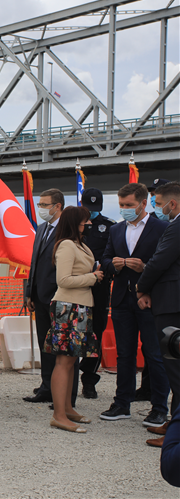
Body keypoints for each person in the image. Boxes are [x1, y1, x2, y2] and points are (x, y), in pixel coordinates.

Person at [99, 182, 169, 428]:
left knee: (154, 355)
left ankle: (160, 408)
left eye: (129, 205)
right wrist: (112, 264)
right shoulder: (116, 230)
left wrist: (145, 268)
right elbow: (105, 259)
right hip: (120, 300)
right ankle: (122, 403)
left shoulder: (162, 228)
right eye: (121, 205)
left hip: (149, 300)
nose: (125, 209)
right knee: (124, 354)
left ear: (143, 203)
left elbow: (168, 263)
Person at [44, 206, 104, 433]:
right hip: (68, 307)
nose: (88, 225)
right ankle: (59, 414)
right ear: (74, 223)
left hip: (79, 307)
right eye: (85, 222)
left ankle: (67, 408)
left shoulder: (79, 244)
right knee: (64, 361)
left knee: (72, 361)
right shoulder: (67, 245)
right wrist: (92, 277)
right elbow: (64, 279)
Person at [137, 180, 180, 448]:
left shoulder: (177, 226)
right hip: (171, 300)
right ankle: (174, 422)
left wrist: (141, 287)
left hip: (172, 303)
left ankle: (176, 433)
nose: (157, 207)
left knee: (175, 367)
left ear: (172, 203)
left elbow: (160, 260)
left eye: (159, 202)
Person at [24, 188, 65, 403]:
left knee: (59, 346)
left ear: (57, 206)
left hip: (58, 296)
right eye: (39, 205)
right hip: (39, 296)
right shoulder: (41, 229)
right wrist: (29, 292)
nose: (40, 208)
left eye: (44, 205)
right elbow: (34, 263)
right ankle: (46, 386)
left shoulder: (66, 230)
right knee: (44, 343)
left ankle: (60, 391)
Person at [78, 188, 116, 399]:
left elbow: (111, 256)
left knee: (96, 333)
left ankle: (89, 380)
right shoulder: (73, 224)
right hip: (77, 287)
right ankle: (70, 377)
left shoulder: (109, 226)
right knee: (75, 332)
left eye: (95, 209)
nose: (91, 213)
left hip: (99, 289)